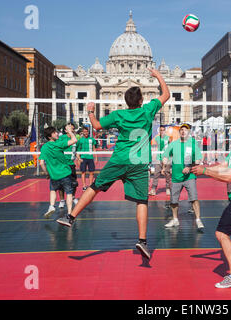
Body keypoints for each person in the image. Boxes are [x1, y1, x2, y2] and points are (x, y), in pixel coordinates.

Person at [56, 68, 170, 261]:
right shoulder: (148, 110)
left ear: (126, 101)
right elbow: (166, 94)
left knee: (95, 187)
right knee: (142, 201)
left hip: (119, 159)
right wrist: (158, 75)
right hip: (139, 162)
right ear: (141, 101)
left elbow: (97, 125)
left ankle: (71, 217)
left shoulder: (118, 115)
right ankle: (142, 241)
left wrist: (90, 111)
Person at [191, 117, 231, 289]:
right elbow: (225, 165)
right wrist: (204, 167)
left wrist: (205, 171)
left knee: (221, 233)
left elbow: (228, 176)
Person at [162, 123, 204, 230]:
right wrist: (165, 162)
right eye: (181, 129)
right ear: (179, 132)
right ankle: (175, 220)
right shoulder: (173, 144)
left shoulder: (192, 145)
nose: (183, 131)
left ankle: (198, 220)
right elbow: (166, 155)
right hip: (176, 177)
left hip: (189, 176)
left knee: (194, 198)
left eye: (186, 129)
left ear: (189, 132)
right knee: (173, 200)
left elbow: (198, 159)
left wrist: (189, 167)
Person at [39, 125, 78, 219]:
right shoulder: (58, 144)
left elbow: (41, 163)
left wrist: (47, 173)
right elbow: (74, 140)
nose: (57, 134)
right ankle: (69, 212)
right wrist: (70, 131)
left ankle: (51, 206)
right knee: (69, 193)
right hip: (65, 174)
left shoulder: (44, 147)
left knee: (53, 190)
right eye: (54, 133)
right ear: (49, 136)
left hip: (54, 176)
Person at [57, 123, 79, 209]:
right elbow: (58, 148)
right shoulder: (62, 138)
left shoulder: (76, 138)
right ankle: (62, 200)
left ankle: (73, 197)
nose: (71, 130)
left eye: (73, 128)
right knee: (61, 184)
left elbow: (75, 150)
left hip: (71, 164)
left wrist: (78, 158)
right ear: (66, 130)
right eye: (69, 128)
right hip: (63, 164)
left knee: (74, 183)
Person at [149, 125, 171, 196]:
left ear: (165, 131)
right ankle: (153, 189)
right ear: (159, 131)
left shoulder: (168, 138)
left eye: (163, 130)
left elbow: (170, 148)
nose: (162, 131)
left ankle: (168, 188)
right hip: (158, 158)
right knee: (156, 174)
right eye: (161, 130)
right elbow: (154, 148)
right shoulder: (156, 138)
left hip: (166, 158)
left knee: (167, 174)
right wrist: (153, 158)